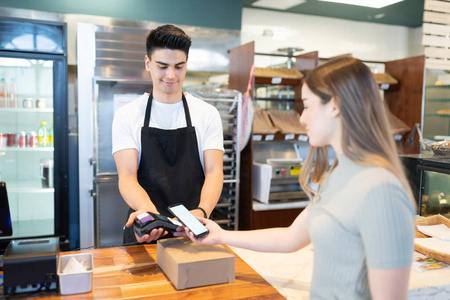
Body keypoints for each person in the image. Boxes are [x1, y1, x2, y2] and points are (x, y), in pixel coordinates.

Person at [178, 56, 416, 300]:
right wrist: (221, 236)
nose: (302, 118)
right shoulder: (338, 174)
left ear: (334, 105)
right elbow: (290, 238)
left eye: (308, 105)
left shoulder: (382, 190)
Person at [112, 24, 224, 244]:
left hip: (193, 230)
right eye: (162, 66)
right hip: (147, 227)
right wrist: (152, 216)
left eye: (179, 66)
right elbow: (127, 177)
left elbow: (214, 171)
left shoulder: (207, 114)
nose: (171, 75)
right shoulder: (127, 115)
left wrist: (201, 211)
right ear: (148, 63)